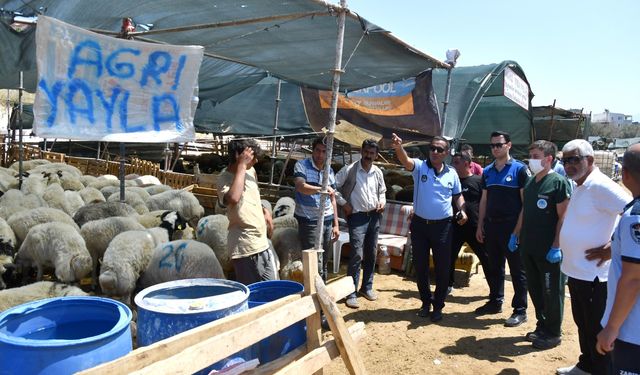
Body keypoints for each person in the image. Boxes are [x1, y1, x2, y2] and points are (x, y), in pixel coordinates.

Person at [557, 139, 630, 375]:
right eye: (565, 160)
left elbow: (633, 212)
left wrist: (613, 246)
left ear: (590, 160)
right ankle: (586, 365)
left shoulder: (600, 185)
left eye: (574, 159)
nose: (568, 165)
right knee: (583, 325)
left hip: (595, 276)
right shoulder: (581, 184)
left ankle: (600, 371)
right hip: (577, 271)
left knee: (595, 329)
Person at [390, 133, 467, 323]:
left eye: (439, 149)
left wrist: (463, 210)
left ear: (446, 153)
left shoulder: (452, 173)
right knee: (421, 267)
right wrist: (399, 147)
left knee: (442, 268)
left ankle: (438, 305)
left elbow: (457, 195)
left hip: (443, 227)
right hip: (420, 226)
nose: (434, 151)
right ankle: (425, 302)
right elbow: (406, 161)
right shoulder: (420, 167)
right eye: (432, 148)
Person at [518, 140, 571, 350]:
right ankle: (542, 325)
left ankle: (553, 332)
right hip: (529, 246)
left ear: (548, 159)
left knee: (552, 291)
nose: (532, 160)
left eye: (536, 156)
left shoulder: (558, 182)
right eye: (530, 155)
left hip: (549, 250)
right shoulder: (531, 183)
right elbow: (525, 210)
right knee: (536, 289)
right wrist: (516, 234)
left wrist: (556, 245)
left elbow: (563, 217)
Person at [475, 130, 530, 327]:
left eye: (499, 144)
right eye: (493, 145)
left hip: (511, 226)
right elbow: (484, 200)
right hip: (492, 226)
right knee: (494, 266)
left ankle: (520, 310)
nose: (495, 148)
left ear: (509, 145)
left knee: (517, 269)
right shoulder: (487, 171)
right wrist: (480, 225)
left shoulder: (519, 170)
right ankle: (495, 301)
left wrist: (517, 231)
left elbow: (526, 203)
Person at [596, 143, 640, 374]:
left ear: (624, 174)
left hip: (633, 331)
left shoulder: (635, 217)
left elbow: (633, 279)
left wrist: (612, 327)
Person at [217, 139, 277, 285]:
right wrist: (242, 166)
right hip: (245, 246)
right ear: (239, 155)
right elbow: (234, 197)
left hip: (262, 242)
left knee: (271, 288)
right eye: (251, 156)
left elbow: (253, 196)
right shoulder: (224, 178)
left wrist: (264, 210)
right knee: (254, 293)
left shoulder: (251, 171)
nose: (255, 160)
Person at [335, 139, 386, 309]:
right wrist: (344, 203)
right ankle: (351, 292)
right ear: (361, 151)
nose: (368, 156)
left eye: (372, 153)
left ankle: (367, 287)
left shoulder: (377, 172)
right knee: (357, 254)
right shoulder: (350, 170)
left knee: (371, 253)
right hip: (357, 217)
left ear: (376, 155)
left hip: (374, 216)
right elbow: (332, 187)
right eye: (366, 152)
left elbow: (382, 192)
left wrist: (382, 202)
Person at [294, 137, 340, 282]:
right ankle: (313, 290)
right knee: (312, 258)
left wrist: (336, 224)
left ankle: (323, 286)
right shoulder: (301, 165)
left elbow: (333, 198)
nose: (320, 155)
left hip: (327, 218)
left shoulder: (330, 170)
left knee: (324, 257)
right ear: (312, 151)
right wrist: (321, 189)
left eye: (324, 151)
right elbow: (300, 186)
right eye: (318, 150)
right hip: (309, 220)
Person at [449, 152, 491, 295]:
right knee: (449, 256)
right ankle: (448, 285)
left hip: (475, 228)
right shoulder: (452, 182)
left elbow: (486, 203)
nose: (453, 165)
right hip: (455, 227)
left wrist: (482, 225)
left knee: (486, 258)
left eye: (456, 162)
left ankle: (495, 292)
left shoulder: (478, 181)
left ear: (466, 164)